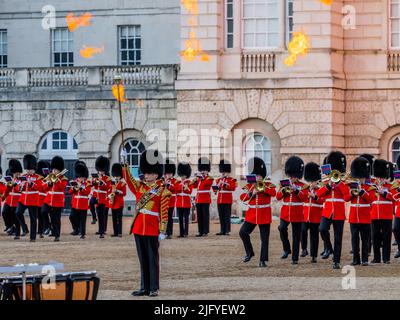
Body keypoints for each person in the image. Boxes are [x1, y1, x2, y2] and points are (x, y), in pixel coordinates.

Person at [122, 149, 171, 297]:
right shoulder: (140, 187)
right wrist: (124, 163)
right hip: (138, 228)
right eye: (145, 172)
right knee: (143, 260)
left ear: (156, 174)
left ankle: (154, 287)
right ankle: (144, 287)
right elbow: (129, 179)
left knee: (152, 260)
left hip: (151, 228)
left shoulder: (162, 191)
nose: (146, 175)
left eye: (149, 173)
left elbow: (163, 212)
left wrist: (162, 231)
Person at [239, 157, 276, 267]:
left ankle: (263, 260)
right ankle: (249, 253)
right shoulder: (250, 185)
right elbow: (243, 197)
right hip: (252, 214)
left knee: (264, 239)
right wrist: (252, 193)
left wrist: (264, 189)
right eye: (256, 175)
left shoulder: (268, 184)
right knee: (243, 232)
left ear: (262, 175)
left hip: (264, 214)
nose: (257, 177)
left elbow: (274, 193)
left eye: (259, 175)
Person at [317, 151, 350, 269]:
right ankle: (329, 248)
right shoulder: (326, 181)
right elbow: (318, 194)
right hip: (327, 211)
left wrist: (339, 184)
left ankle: (336, 261)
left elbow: (347, 197)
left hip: (339, 212)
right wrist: (329, 185)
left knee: (338, 237)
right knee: (322, 229)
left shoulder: (344, 182)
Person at [276, 156, 308, 265]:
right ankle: (286, 249)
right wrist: (284, 191)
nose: (293, 178)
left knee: (296, 235)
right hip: (285, 212)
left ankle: (295, 258)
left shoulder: (303, 186)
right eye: (291, 175)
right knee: (282, 228)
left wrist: (297, 190)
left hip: (297, 213)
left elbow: (305, 198)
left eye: (295, 176)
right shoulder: (283, 184)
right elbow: (278, 197)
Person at [346, 157, 374, 266]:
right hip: (353, 216)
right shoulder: (352, 187)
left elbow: (371, 199)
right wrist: (352, 193)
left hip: (365, 216)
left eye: (361, 177)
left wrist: (362, 191)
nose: (360, 179)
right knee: (354, 239)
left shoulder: (370, 187)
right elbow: (346, 198)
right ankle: (356, 259)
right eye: (358, 177)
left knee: (365, 239)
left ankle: (365, 259)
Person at [370, 159, 394, 264]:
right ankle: (376, 258)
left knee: (386, 237)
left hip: (387, 215)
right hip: (374, 215)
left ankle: (386, 258)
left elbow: (394, 198)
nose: (380, 179)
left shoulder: (391, 186)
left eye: (382, 177)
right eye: (379, 177)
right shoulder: (372, 186)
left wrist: (383, 193)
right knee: (375, 237)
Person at [15, 154, 42, 242]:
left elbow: (40, 187)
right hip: (23, 199)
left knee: (33, 219)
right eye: (27, 169)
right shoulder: (23, 176)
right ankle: (25, 228)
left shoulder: (38, 177)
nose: (28, 170)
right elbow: (17, 188)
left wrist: (31, 184)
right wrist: (20, 186)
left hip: (33, 199)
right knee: (18, 212)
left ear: (34, 168)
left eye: (30, 169)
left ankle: (32, 237)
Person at [301, 162, 324, 263]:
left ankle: (314, 255)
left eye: (313, 181)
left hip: (316, 216)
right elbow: (301, 198)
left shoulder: (320, 189)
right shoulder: (305, 189)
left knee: (314, 236)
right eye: (310, 181)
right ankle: (304, 249)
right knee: (302, 231)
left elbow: (322, 200)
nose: (312, 183)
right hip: (305, 216)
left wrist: (314, 196)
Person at [42, 156, 68, 242]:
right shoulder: (50, 176)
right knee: (43, 211)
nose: (54, 171)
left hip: (57, 201)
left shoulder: (63, 179)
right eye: (53, 169)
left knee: (55, 219)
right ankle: (47, 226)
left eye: (56, 170)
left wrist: (56, 180)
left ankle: (57, 235)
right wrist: (49, 183)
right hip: (48, 199)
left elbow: (62, 187)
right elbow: (44, 188)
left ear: (59, 170)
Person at [68, 161, 91, 239]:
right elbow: (70, 191)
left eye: (81, 177)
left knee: (82, 220)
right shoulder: (75, 182)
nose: (79, 178)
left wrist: (81, 188)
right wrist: (74, 188)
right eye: (78, 177)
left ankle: (82, 233)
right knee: (72, 217)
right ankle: (76, 229)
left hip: (83, 204)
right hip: (75, 204)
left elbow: (87, 192)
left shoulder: (87, 183)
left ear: (84, 177)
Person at [192, 157, 214, 237]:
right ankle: (200, 231)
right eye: (202, 169)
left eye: (204, 169)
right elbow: (194, 186)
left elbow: (206, 184)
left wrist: (201, 178)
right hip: (198, 199)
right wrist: (195, 179)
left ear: (207, 170)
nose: (203, 171)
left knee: (205, 216)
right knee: (200, 216)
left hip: (205, 199)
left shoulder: (209, 178)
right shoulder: (199, 178)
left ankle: (205, 231)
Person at [215, 160, 237, 236]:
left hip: (227, 199)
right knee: (221, 216)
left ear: (228, 171)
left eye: (225, 172)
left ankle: (227, 230)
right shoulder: (218, 180)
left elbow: (233, 188)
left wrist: (224, 184)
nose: (223, 173)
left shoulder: (232, 180)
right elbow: (215, 189)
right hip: (220, 200)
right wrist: (218, 184)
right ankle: (222, 230)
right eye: (222, 172)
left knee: (227, 216)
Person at [2, 160, 24, 236]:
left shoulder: (21, 180)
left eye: (17, 172)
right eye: (14, 173)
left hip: (16, 201)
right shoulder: (12, 179)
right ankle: (10, 226)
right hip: (9, 200)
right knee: (4, 212)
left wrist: (15, 185)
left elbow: (20, 189)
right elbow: (8, 189)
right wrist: (4, 196)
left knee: (15, 217)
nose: (16, 174)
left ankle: (17, 233)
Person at [92, 156, 111, 238]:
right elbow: (93, 185)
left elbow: (107, 187)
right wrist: (95, 180)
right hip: (96, 198)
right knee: (97, 213)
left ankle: (102, 232)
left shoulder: (107, 178)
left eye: (102, 170)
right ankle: (97, 224)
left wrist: (101, 181)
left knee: (102, 216)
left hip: (103, 199)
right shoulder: (96, 177)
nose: (101, 171)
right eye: (100, 170)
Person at [174, 162, 194, 238]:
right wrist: (181, 186)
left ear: (187, 175)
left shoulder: (189, 182)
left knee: (186, 219)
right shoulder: (177, 182)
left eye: (184, 175)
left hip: (186, 203)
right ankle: (181, 233)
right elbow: (176, 190)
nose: (183, 177)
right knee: (180, 219)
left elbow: (190, 191)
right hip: (179, 203)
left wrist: (186, 187)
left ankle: (186, 233)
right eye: (182, 175)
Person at [108, 163, 126, 238]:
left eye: (117, 176)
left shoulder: (122, 183)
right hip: (113, 202)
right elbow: (109, 191)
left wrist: (117, 191)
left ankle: (119, 232)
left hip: (119, 203)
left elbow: (124, 193)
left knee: (119, 219)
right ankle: (115, 232)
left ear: (120, 176)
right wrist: (109, 195)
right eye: (115, 176)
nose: (116, 177)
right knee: (114, 219)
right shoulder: (113, 183)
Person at [36, 160, 50, 238]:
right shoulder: (38, 178)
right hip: (38, 198)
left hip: (45, 198)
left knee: (43, 213)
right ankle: (40, 231)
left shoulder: (48, 178)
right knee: (39, 215)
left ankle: (47, 227)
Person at [163, 159, 177, 239]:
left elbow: (175, 189)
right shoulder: (163, 181)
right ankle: (164, 232)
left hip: (171, 201)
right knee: (164, 218)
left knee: (169, 218)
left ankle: (169, 233)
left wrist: (169, 185)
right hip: (164, 202)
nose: (169, 175)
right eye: (167, 173)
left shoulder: (174, 181)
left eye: (170, 173)